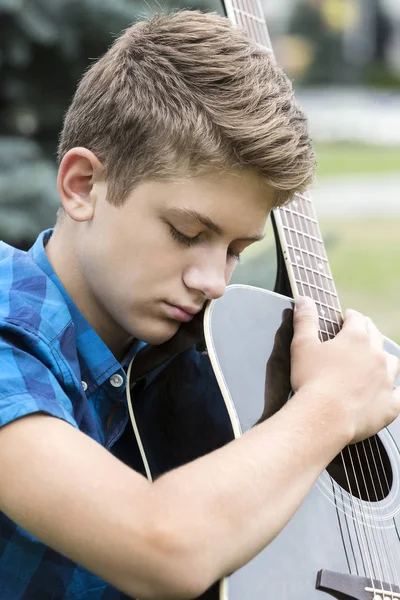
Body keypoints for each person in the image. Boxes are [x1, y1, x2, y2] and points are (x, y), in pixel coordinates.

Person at [0, 9, 399, 600]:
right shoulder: (10, 335)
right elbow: (162, 547)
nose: (213, 280)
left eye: (237, 248)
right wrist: (329, 407)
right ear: (82, 185)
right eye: (187, 233)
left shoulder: (200, 358)